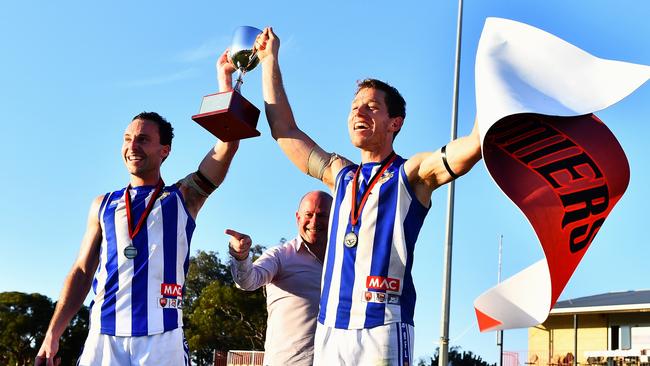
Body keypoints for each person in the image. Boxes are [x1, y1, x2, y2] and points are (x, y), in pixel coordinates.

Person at [255, 27, 483, 365]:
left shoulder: (412, 174)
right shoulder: (340, 174)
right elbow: (284, 131)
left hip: (383, 326)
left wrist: (493, 93)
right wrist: (268, 61)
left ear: (395, 123)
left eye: (372, 107)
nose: (359, 113)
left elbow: (471, 147)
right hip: (331, 326)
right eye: (355, 107)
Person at [35, 50, 240, 366]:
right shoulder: (103, 205)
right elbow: (81, 271)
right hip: (104, 338)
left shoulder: (183, 197)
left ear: (164, 150)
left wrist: (225, 81)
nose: (132, 146)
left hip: (162, 338)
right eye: (127, 139)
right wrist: (53, 332)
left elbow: (227, 144)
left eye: (143, 140)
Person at [226, 190, 333, 366]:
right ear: (298, 217)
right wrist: (241, 257)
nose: (314, 221)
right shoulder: (280, 256)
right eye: (309, 215)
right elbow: (248, 281)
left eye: (322, 215)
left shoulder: (346, 260)